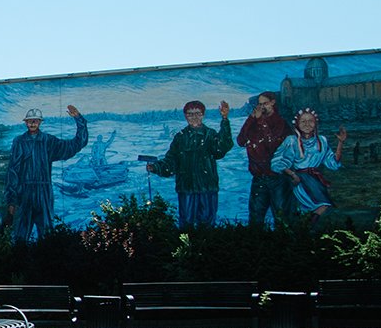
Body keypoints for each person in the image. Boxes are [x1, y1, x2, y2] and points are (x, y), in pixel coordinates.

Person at [4, 105, 87, 243]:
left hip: (44, 192)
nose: (32, 123)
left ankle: (47, 262)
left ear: (40, 122)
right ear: (25, 122)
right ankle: (19, 261)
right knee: (21, 235)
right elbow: (13, 170)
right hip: (25, 193)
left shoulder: (48, 141)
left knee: (47, 235)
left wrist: (79, 120)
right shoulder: (19, 142)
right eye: (30, 121)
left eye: (35, 121)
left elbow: (74, 145)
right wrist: (12, 200)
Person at [147, 100, 234, 227]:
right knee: (186, 222)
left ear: (203, 115)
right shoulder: (180, 137)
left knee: (207, 222)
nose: (194, 117)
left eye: (197, 113)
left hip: (207, 187)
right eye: (190, 114)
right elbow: (171, 160)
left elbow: (222, 148)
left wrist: (225, 119)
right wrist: (156, 167)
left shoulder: (210, 135)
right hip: (186, 187)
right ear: (185, 116)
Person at [270, 107, 347, 217]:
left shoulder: (322, 141)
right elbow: (278, 162)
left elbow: (332, 163)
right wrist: (293, 175)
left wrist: (340, 143)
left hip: (315, 180)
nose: (307, 124)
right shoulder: (291, 141)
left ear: (315, 123)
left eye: (310, 121)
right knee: (319, 206)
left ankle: (307, 227)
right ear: (297, 124)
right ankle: (306, 227)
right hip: (300, 180)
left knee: (321, 207)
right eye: (303, 121)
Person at [237, 91, 292, 227]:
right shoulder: (254, 122)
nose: (261, 108)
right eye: (259, 105)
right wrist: (251, 119)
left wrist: (260, 121)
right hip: (259, 177)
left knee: (281, 216)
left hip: (278, 178)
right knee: (256, 216)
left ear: (273, 103)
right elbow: (241, 140)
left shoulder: (281, 123)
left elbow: (272, 144)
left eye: (265, 104)